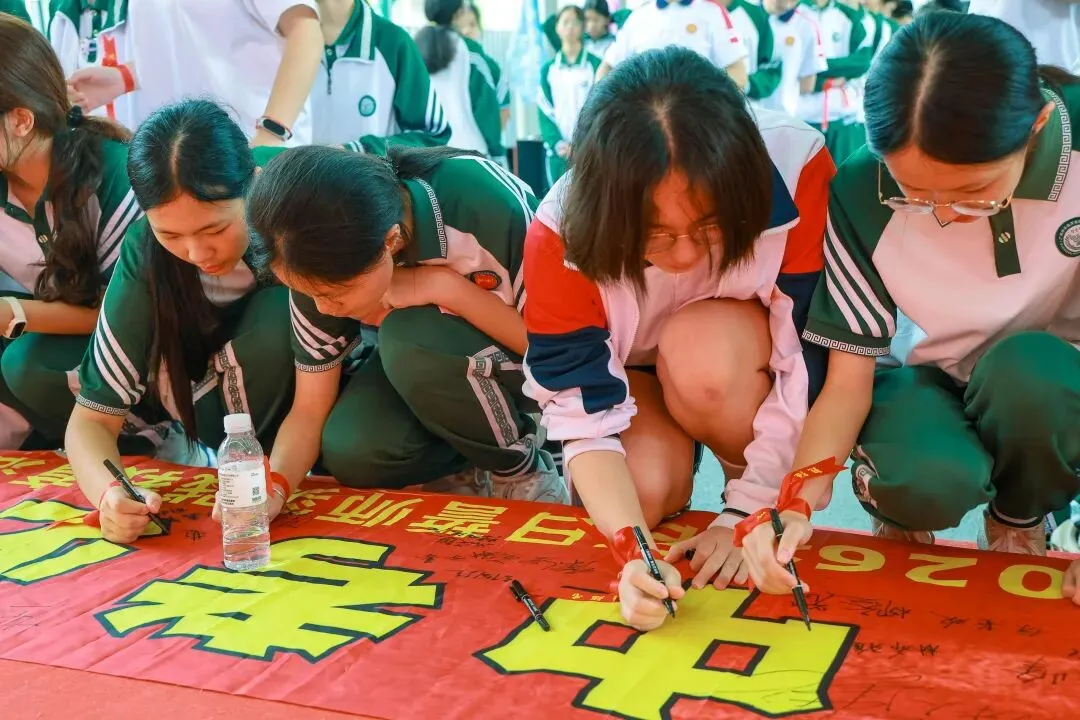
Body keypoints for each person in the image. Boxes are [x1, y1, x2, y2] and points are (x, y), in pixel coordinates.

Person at [737, 14, 1080, 603]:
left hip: (1055, 382)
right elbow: (847, 383)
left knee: (1033, 372)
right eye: (915, 195)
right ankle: (899, 514)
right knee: (921, 477)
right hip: (930, 378)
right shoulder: (858, 193)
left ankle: (1022, 518)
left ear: (1038, 126)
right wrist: (794, 503)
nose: (943, 214)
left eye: (974, 192)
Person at [523, 45, 833, 632]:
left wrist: (748, 510)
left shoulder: (797, 164)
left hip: (731, 355)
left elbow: (805, 355)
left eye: (710, 226)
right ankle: (674, 488)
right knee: (637, 491)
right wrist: (631, 554)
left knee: (703, 355)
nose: (686, 256)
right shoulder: (557, 234)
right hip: (630, 373)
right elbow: (579, 413)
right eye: (655, 236)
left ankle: (752, 499)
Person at [246, 145, 568, 507]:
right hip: (441, 372)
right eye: (306, 292)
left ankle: (522, 470)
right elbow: (309, 409)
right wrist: (273, 488)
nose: (323, 307)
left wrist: (445, 288)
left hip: (537, 368)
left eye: (334, 294)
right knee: (353, 447)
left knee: (407, 336)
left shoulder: (482, 202)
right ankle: (473, 457)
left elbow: (562, 350)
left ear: (390, 240)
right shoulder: (309, 256)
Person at [66, 99, 295, 544]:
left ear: (256, 183)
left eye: (214, 229)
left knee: (281, 315)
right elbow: (90, 420)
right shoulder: (145, 252)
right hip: (225, 420)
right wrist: (108, 494)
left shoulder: (298, 198)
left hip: (328, 387)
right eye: (170, 234)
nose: (196, 253)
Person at [0, 15, 139, 451]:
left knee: (28, 363)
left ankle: (147, 443)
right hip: (63, 342)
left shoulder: (116, 173)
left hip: (145, 348)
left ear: (21, 120)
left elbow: (132, 316)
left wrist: (13, 314)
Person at [67, 0, 323, 147]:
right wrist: (126, 77)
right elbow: (195, 43)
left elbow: (305, 32)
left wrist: (271, 135)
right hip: (181, 164)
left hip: (255, 158)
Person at [315, 0, 453, 153]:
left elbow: (433, 135)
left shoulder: (393, 43)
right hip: (292, 176)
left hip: (370, 176)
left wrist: (361, 150)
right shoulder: (287, 42)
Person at [415, 0, 504, 161]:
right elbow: (485, 107)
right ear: (458, 14)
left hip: (427, 154)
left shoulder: (416, 48)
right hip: (470, 152)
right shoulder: (469, 51)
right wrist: (497, 151)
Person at [597, 0, 750, 91]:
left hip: (699, 121)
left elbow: (738, 72)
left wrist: (708, 97)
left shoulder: (712, 12)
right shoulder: (638, 17)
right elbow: (607, 68)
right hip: (643, 121)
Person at [796, 0, 873, 164]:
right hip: (799, 116)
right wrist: (826, 77)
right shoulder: (794, 13)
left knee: (842, 183)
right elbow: (788, 64)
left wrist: (814, 67)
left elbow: (862, 62)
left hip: (840, 118)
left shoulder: (849, 16)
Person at [538, 6, 601, 186]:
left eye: (575, 22)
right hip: (559, 154)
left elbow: (600, 107)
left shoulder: (595, 65)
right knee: (557, 209)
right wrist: (557, 142)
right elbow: (544, 110)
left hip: (589, 150)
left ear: (583, 27)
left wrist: (584, 143)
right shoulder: (548, 70)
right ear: (557, 27)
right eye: (565, 21)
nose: (570, 27)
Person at [49, 0, 135, 129]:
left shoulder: (145, 7)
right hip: (85, 139)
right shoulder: (58, 7)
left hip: (146, 135)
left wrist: (125, 77)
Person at [757, 0, 827, 118]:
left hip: (782, 119)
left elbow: (807, 84)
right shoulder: (742, 11)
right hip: (741, 117)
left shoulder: (807, 23)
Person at [451, 3, 511, 130]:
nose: (467, 30)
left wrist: (491, 142)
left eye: (472, 24)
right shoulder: (444, 66)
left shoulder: (491, 67)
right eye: (460, 26)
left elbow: (504, 108)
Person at [723, 0, 783, 103]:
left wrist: (747, 84)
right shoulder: (688, 11)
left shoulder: (756, 15)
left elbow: (771, 70)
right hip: (692, 110)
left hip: (742, 110)